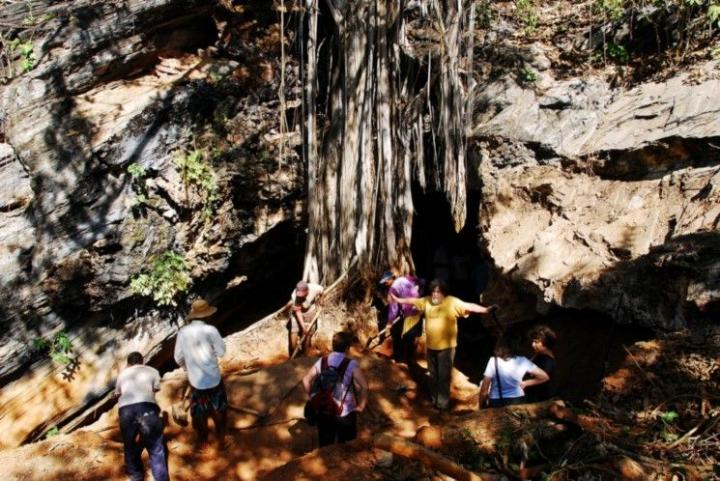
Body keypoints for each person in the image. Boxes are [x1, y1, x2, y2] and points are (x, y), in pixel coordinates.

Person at [391, 278, 496, 411]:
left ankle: (442, 405)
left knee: (444, 377)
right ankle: (435, 401)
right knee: (433, 375)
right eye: (433, 291)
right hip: (431, 348)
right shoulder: (427, 301)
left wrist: (486, 310)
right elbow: (412, 301)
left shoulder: (452, 302)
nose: (435, 294)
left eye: (438, 292)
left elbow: (469, 306)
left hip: (446, 349)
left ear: (444, 293)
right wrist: (398, 300)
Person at [174, 298, 227, 449]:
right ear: (206, 315)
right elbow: (222, 352)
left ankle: (203, 443)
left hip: (195, 379)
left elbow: (178, 358)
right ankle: (221, 441)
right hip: (213, 377)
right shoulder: (211, 330)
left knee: (199, 411)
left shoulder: (182, 333)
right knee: (219, 409)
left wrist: (187, 367)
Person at [302, 331, 368, 447]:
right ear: (348, 348)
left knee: (326, 447)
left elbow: (306, 379)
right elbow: (364, 386)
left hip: (324, 410)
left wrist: (312, 398)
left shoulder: (322, 361)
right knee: (347, 445)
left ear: (333, 346)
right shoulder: (351, 364)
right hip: (345, 412)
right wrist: (361, 405)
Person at [114, 351, 169, 481]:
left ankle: (136, 477)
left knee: (129, 445)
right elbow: (155, 389)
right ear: (142, 361)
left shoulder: (122, 374)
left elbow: (117, 393)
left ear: (128, 364)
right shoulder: (152, 371)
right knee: (156, 448)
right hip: (148, 408)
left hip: (126, 410)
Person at [478, 332, 549, 408]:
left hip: (496, 401)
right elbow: (544, 377)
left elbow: (484, 390)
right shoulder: (523, 361)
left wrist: (480, 406)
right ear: (517, 346)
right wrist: (526, 383)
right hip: (517, 400)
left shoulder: (493, 361)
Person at [379, 270, 422, 364]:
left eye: (386, 281)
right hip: (419, 308)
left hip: (410, 312)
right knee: (411, 336)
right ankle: (409, 359)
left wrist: (389, 323)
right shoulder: (404, 279)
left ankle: (400, 359)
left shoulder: (392, 290)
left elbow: (393, 310)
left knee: (399, 334)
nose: (385, 283)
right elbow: (418, 281)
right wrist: (417, 289)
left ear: (391, 278)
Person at [287, 280, 324, 356]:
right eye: (299, 295)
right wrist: (303, 327)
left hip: (310, 313)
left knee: (307, 334)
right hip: (297, 314)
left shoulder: (314, 288)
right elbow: (298, 312)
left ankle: (304, 353)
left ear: (307, 291)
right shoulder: (294, 296)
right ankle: (293, 352)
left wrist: (321, 300)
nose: (300, 297)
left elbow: (322, 290)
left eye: (302, 295)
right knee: (293, 331)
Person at [524, 325, 557, 402]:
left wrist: (524, 383)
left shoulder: (547, 360)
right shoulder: (539, 356)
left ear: (546, 343)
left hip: (538, 400)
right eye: (533, 341)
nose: (533, 345)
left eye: (536, 342)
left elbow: (543, 378)